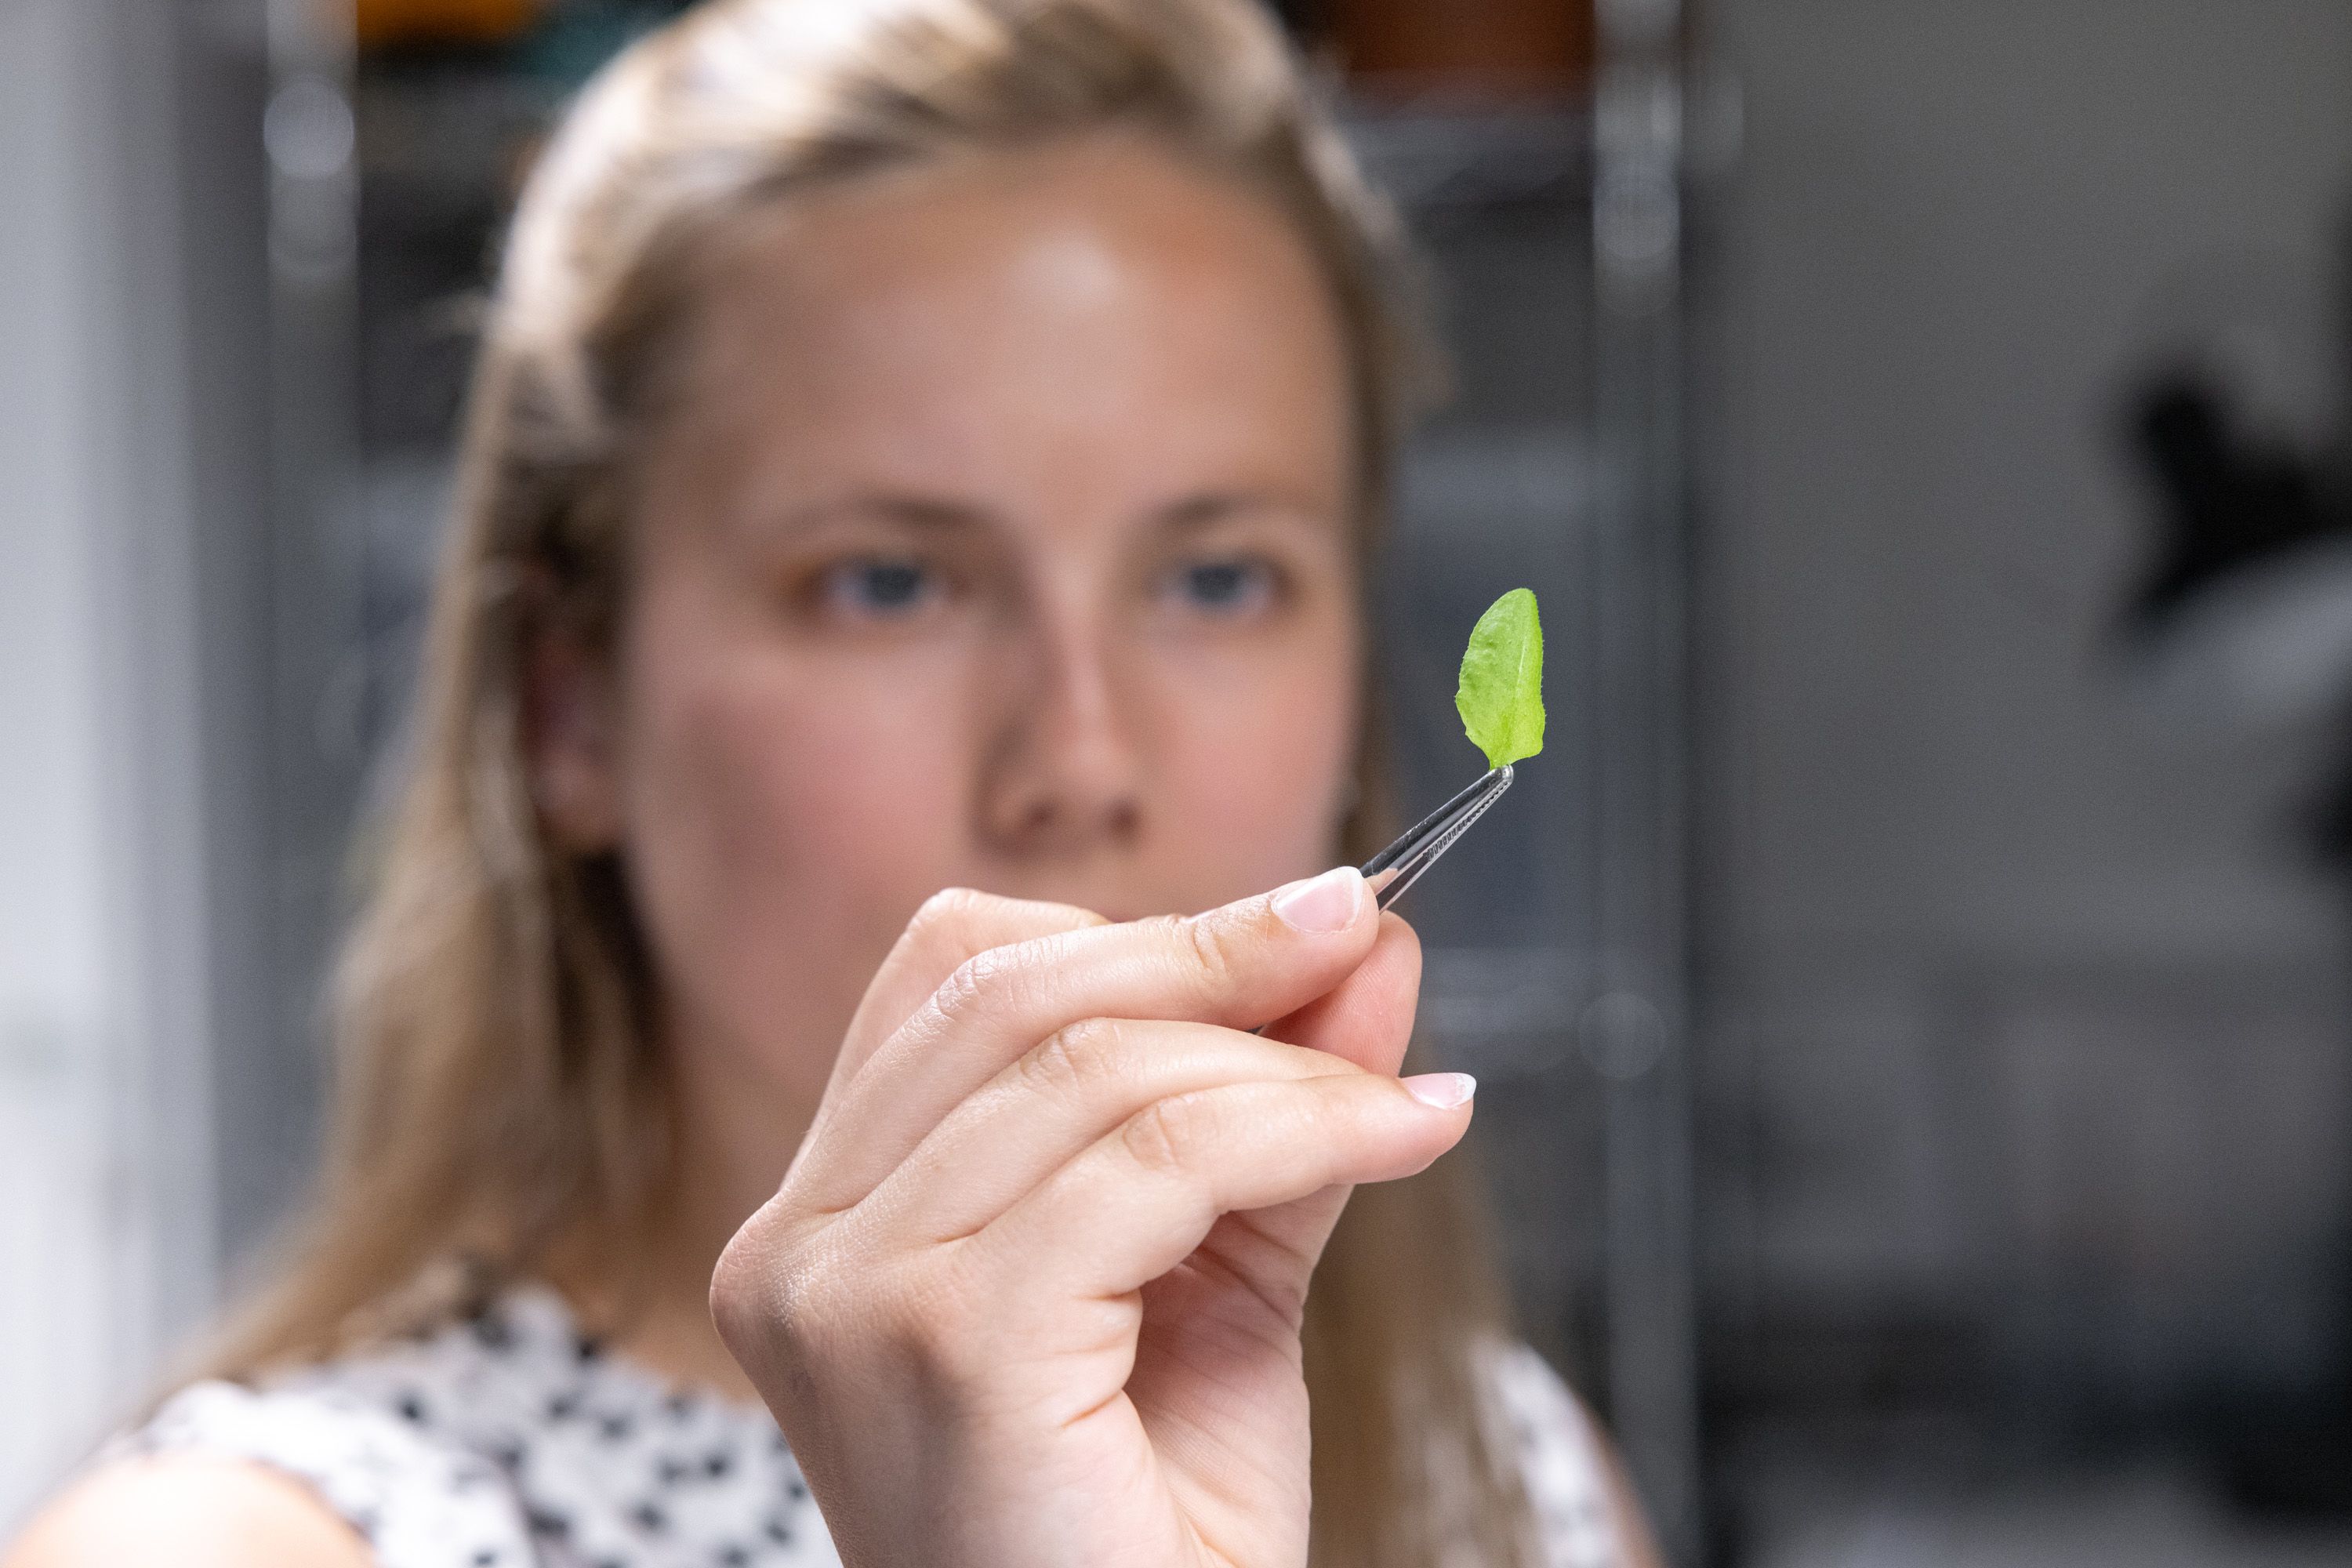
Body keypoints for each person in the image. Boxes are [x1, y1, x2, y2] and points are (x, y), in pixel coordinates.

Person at [7, 1, 1661, 1563]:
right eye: (890, 583)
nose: (1080, 760)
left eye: (1217, 580)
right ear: (567, 710)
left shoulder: (1500, 1473)